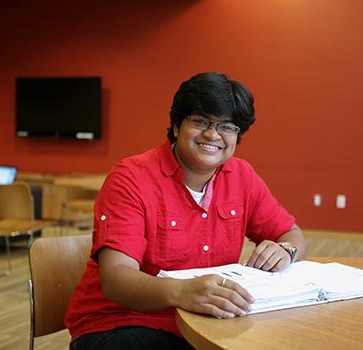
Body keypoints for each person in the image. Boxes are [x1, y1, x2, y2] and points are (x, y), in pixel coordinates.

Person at [65, 72, 308, 349]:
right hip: (121, 323)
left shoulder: (242, 176)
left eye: (227, 126)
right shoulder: (131, 178)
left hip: (205, 322)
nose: (212, 134)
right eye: (201, 121)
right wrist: (182, 292)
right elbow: (116, 278)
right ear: (177, 125)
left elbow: (292, 234)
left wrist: (286, 251)